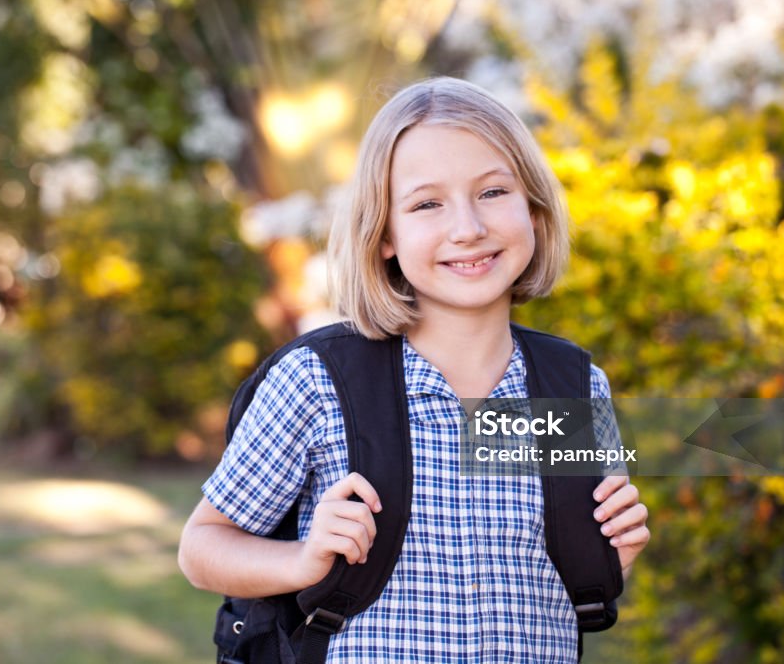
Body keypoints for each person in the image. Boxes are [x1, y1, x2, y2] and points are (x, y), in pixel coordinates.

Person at [179, 76, 650, 662]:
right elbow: (202, 548)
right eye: (428, 204)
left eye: (493, 192)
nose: (468, 228)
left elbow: (551, 580)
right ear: (383, 235)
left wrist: (604, 556)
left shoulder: (572, 389)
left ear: (533, 206)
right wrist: (301, 561)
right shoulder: (319, 382)